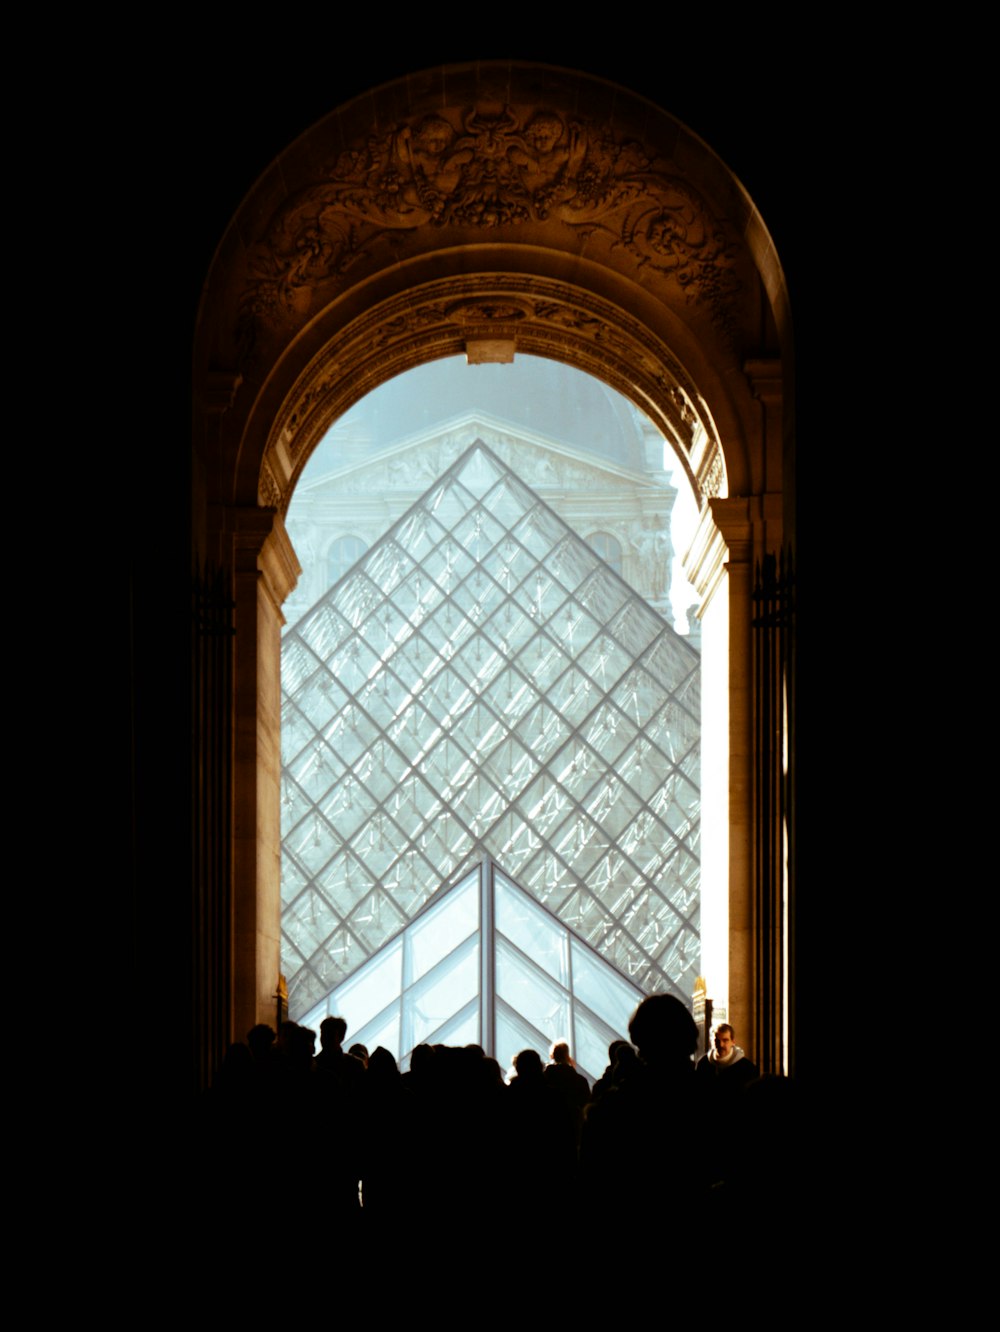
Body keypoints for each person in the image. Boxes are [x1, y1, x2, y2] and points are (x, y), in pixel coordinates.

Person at [696, 1022, 758, 1090]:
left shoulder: (747, 1068)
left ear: (733, 1042)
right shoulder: (703, 1064)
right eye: (716, 1041)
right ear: (711, 1041)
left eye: (725, 1040)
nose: (721, 1045)